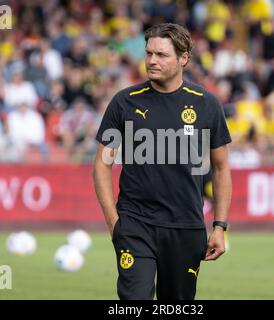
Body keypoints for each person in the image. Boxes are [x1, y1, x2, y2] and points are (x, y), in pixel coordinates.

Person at [93, 23, 232, 300]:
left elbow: (221, 167)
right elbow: (102, 163)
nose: (152, 61)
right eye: (149, 53)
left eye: (161, 55)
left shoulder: (207, 104)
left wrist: (220, 226)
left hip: (186, 226)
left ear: (183, 58)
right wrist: (114, 222)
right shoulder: (124, 103)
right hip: (135, 225)